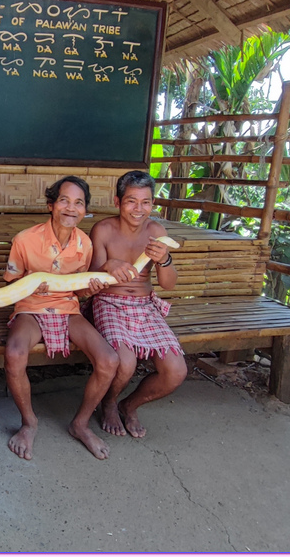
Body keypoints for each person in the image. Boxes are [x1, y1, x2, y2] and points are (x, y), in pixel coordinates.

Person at [3, 176, 120, 461]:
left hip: (67, 308)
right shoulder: (25, 240)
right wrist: (30, 282)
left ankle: (80, 424)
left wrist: (88, 288)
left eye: (79, 202)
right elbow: (10, 285)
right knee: (15, 353)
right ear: (51, 205)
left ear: (85, 210)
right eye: (64, 200)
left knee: (109, 361)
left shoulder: (85, 243)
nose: (71, 208)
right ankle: (29, 422)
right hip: (30, 307)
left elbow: (78, 291)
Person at [88, 170, 186, 439]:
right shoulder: (104, 230)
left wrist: (165, 260)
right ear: (117, 202)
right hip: (109, 301)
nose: (138, 209)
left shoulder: (156, 231)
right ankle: (108, 403)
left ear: (153, 204)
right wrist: (108, 266)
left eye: (145, 202)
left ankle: (129, 405)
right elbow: (91, 277)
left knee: (175, 372)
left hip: (145, 305)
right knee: (126, 362)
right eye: (131, 201)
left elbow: (168, 284)